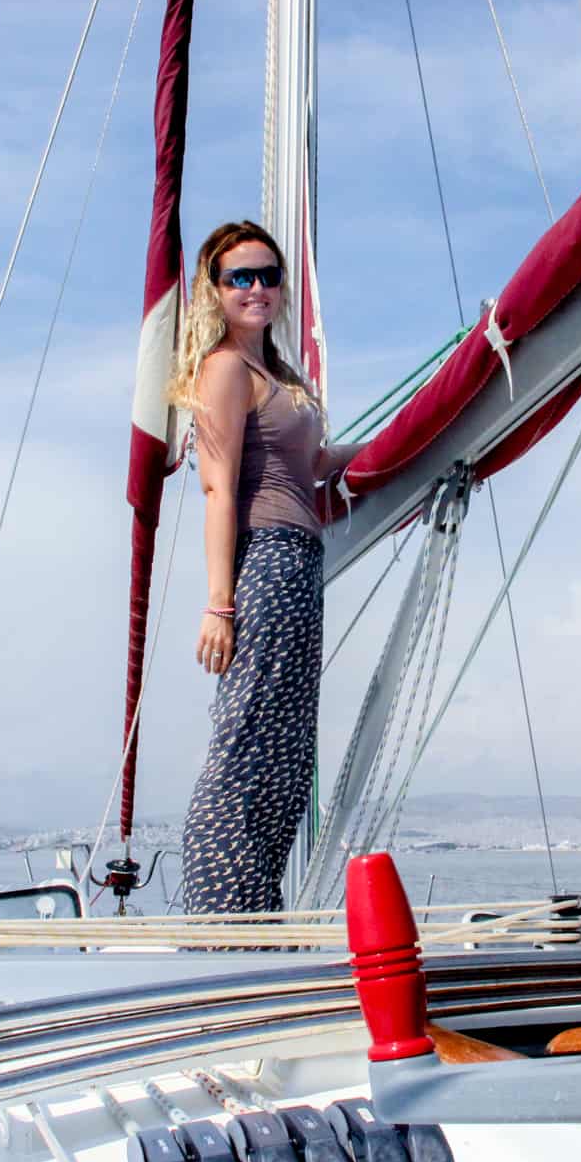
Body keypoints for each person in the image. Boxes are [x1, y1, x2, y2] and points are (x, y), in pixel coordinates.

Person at [167, 221, 360, 915]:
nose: (256, 288)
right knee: (249, 740)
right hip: (266, 564)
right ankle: (221, 914)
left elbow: (310, 466)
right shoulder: (223, 369)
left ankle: (256, 906)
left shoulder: (278, 375)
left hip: (299, 562)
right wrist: (219, 604)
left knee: (284, 756)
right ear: (214, 292)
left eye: (267, 275)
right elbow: (218, 487)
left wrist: (400, 440)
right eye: (238, 277)